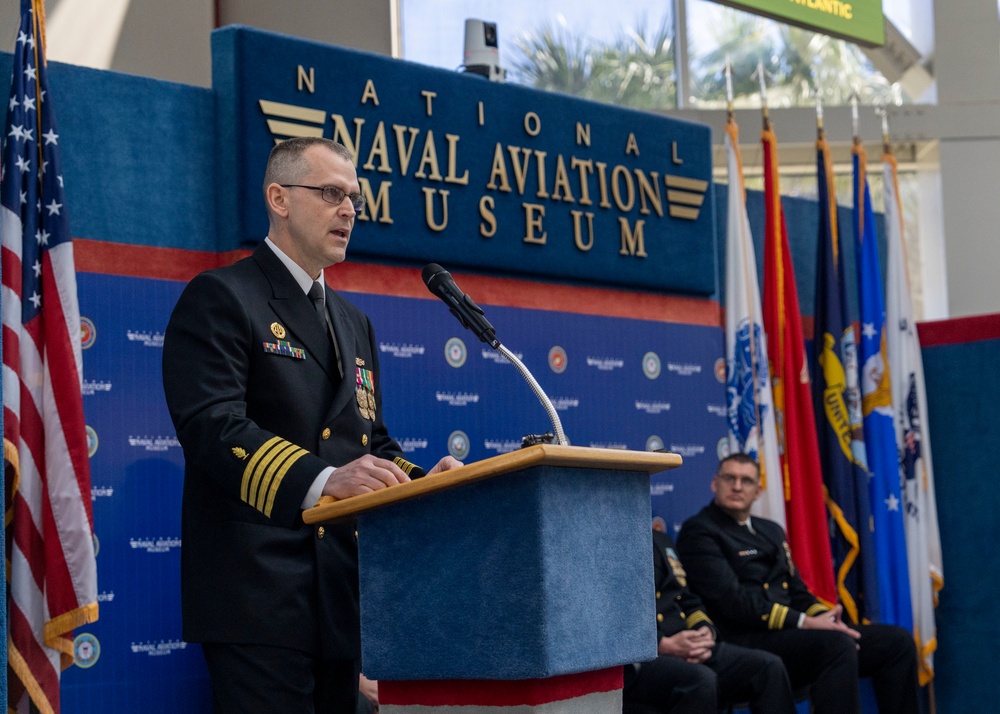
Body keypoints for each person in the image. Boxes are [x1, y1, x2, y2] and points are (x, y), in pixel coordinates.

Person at [162, 137, 462, 713]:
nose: (349, 209)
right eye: (330, 194)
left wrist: (427, 483)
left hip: (339, 597)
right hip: (258, 597)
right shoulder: (223, 297)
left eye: (354, 197)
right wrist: (327, 483)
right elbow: (213, 428)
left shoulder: (354, 322)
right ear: (279, 197)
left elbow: (369, 443)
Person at [675, 454, 920, 714]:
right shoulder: (699, 531)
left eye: (746, 480)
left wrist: (825, 619)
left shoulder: (771, 530)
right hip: (745, 638)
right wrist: (806, 622)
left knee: (897, 642)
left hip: (791, 633)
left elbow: (797, 591)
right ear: (715, 484)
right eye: (729, 478)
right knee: (836, 647)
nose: (737, 486)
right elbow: (735, 602)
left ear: (758, 491)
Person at [623, 529, 796, 714]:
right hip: (643, 656)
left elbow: (685, 599)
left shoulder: (660, 538)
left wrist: (704, 631)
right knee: (700, 680)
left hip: (688, 643)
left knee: (768, 666)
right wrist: (661, 644)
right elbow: (613, 614)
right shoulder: (607, 541)